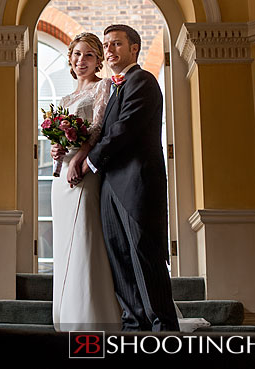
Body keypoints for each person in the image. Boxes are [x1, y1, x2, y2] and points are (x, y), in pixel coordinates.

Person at [81, 24, 180, 332]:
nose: (109, 50)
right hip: (111, 186)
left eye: (116, 44)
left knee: (144, 259)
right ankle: (134, 326)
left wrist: (88, 161)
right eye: (107, 45)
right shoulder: (115, 88)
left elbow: (124, 129)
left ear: (134, 48)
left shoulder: (143, 81)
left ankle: (163, 330)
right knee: (120, 260)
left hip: (138, 185)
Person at [49, 32, 122, 332]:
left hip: (84, 173)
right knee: (65, 242)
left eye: (89, 55)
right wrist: (57, 152)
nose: (81, 60)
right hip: (61, 181)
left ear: (98, 61)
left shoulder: (102, 87)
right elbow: (59, 140)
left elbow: (98, 128)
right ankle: (66, 313)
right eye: (77, 54)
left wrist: (79, 159)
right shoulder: (65, 98)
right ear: (70, 58)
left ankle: (92, 315)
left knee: (85, 237)